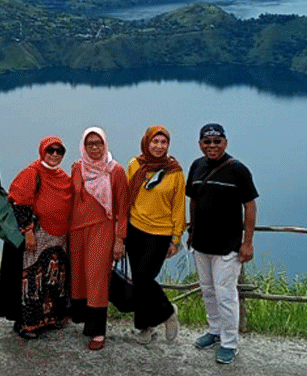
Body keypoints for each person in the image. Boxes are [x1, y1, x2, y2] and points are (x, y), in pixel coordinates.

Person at [185, 123, 258, 365]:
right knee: (207, 289)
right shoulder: (196, 166)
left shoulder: (238, 170)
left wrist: (247, 243)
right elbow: (193, 200)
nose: (212, 146)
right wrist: (192, 231)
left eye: (217, 141)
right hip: (202, 243)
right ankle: (215, 330)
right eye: (207, 142)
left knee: (226, 294)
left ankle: (229, 343)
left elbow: (250, 205)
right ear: (200, 144)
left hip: (228, 246)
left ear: (225, 142)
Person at [0, 136, 73, 339]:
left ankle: (51, 318)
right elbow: (19, 202)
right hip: (37, 236)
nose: (55, 154)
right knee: (31, 280)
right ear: (42, 151)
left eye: (59, 151)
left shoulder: (63, 177)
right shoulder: (32, 173)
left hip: (58, 237)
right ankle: (27, 323)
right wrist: (28, 231)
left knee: (53, 279)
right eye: (50, 150)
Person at [68, 126, 129, 351]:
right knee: (79, 276)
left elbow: (123, 209)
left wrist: (120, 239)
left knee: (96, 278)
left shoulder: (115, 171)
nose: (94, 148)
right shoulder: (77, 168)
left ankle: (98, 331)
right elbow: (71, 199)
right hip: (76, 230)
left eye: (98, 143)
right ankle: (84, 320)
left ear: (105, 144)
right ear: (83, 146)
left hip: (102, 230)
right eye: (89, 144)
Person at [124, 125, 185, 344]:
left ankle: (167, 312)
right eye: (155, 142)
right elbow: (125, 198)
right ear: (146, 142)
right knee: (140, 281)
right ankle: (144, 327)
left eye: (163, 142)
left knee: (143, 278)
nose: (159, 147)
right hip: (135, 229)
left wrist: (176, 239)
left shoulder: (175, 171)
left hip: (160, 233)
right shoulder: (135, 165)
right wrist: (121, 231)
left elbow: (178, 207)